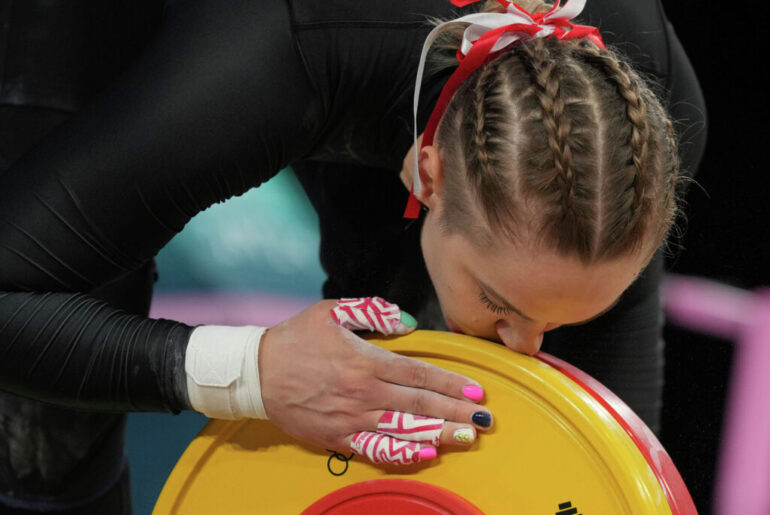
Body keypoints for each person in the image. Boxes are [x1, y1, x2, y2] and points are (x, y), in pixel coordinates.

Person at [0, 0, 705, 512]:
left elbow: (607, 472)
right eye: (501, 303)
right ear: (426, 173)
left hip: (394, 75)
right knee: (44, 443)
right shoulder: (284, 56)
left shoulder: (647, 131)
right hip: (257, 37)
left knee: (426, 401)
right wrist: (249, 371)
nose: (527, 346)